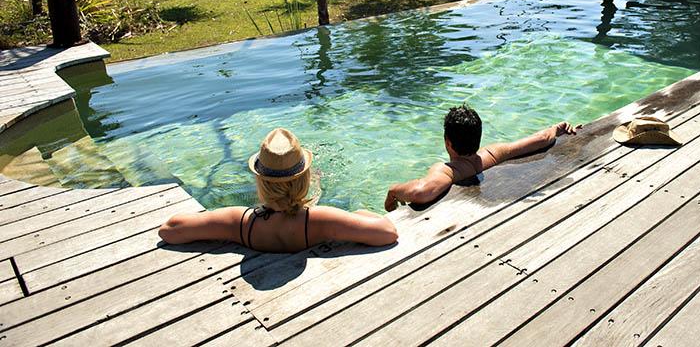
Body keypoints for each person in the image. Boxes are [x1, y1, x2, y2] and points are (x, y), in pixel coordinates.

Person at [158, 128, 398, 252]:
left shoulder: (238, 222)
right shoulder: (322, 219)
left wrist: (214, 221)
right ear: (305, 179)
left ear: (260, 181)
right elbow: (387, 232)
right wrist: (357, 215)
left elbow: (169, 230)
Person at [384, 105, 579, 211]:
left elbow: (421, 192)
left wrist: (393, 192)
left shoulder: (447, 170)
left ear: (448, 142)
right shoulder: (493, 153)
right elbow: (541, 139)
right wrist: (556, 128)